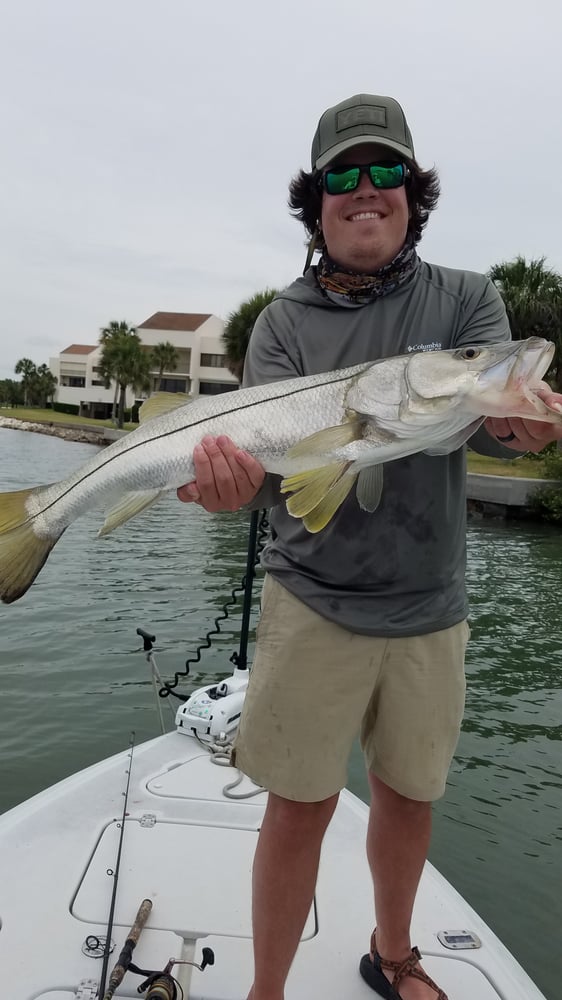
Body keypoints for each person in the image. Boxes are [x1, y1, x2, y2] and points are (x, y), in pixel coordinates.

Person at [178, 94, 562, 1000]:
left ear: (412, 192)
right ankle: (266, 991)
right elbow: (270, 480)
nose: (365, 190)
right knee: (300, 805)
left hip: (431, 603)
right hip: (311, 599)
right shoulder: (282, 325)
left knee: (408, 797)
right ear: (317, 202)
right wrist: (227, 491)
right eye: (342, 175)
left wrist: (520, 428)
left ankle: (394, 958)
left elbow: (487, 417)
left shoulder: (468, 300)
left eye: (384, 170)